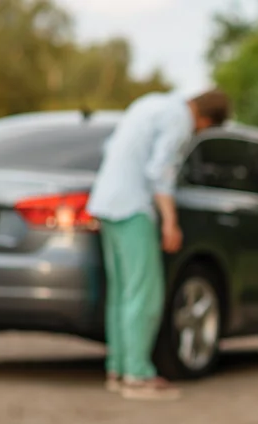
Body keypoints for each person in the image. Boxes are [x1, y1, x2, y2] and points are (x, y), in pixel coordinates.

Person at [87, 90, 231, 400]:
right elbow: (160, 172)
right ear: (206, 119)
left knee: (122, 293)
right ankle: (137, 375)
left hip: (105, 202)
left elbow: (110, 147)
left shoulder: (149, 103)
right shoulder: (179, 120)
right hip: (133, 207)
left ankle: (119, 369)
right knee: (145, 293)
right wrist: (169, 221)